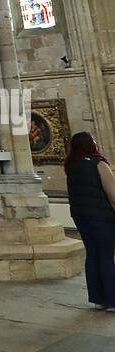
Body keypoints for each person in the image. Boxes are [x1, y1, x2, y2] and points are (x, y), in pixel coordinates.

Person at [65, 131, 115, 310]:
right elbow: (112, 192)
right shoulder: (98, 163)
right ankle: (112, 300)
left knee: (93, 255)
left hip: (80, 217)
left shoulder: (71, 165)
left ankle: (98, 299)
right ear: (90, 144)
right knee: (106, 256)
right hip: (101, 217)